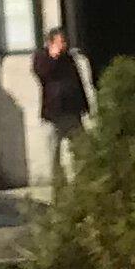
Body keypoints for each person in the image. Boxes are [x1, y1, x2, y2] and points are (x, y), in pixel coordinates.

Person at [31, 28, 90, 180]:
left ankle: (83, 181)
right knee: (54, 155)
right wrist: (53, 57)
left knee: (83, 150)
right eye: (60, 42)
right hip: (53, 114)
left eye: (65, 41)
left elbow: (77, 82)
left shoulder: (69, 59)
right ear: (51, 43)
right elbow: (41, 73)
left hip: (72, 112)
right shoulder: (41, 57)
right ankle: (59, 187)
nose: (64, 45)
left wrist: (85, 106)